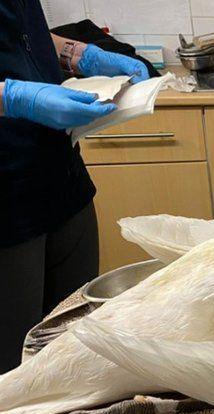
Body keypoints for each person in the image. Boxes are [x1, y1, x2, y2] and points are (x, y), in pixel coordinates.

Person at [1, 2, 149, 374]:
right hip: (5, 199)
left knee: (79, 337)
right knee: (17, 366)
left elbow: (18, 32)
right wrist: (11, 96)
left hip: (59, 169)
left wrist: (77, 54)